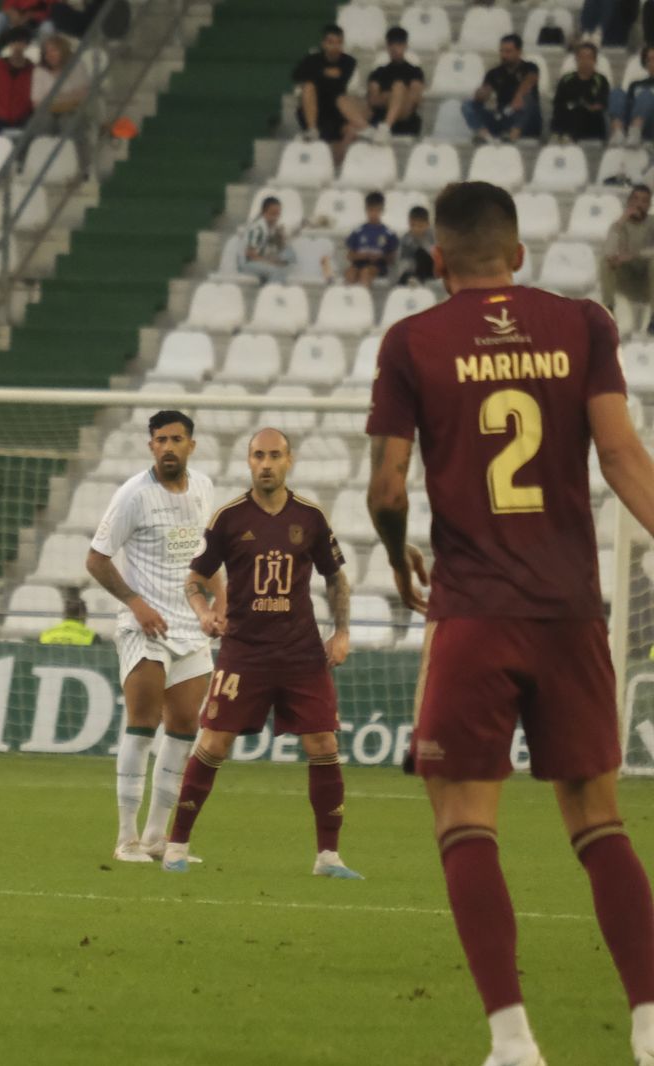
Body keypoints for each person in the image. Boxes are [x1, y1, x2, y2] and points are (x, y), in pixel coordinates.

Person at [365, 179, 654, 1066]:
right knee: (598, 820)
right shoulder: (584, 326)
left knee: (463, 819)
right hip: (571, 611)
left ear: (437, 258)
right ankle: (650, 1027)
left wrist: (393, 550)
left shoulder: (412, 341)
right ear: (520, 253)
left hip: (474, 612)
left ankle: (514, 1041)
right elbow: (619, 456)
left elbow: (386, 488)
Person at [167, 428, 361, 881]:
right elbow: (194, 578)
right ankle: (176, 845)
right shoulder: (228, 519)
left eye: (275, 455)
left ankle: (328, 857)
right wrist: (203, 611)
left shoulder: (310, 517)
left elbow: (335, 578)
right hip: (244, 653)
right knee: (213, 742)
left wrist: (342, 632)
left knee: (324, 745)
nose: (266, 463)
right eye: (259, 456)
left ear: (289, 460)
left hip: (301, 653)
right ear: (248, 462)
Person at [85, 410, 219, 863]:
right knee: (142, 725)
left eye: (176, 439)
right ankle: (125, 839)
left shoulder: (203, 488)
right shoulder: (133, 496)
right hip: (145, 628)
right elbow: (97, 559)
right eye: (160, 439)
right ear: (150, 447)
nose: (167, 447)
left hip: (190, 627)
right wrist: (135, 603)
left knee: (184, 728)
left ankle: (157, 837)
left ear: (191, 445)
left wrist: (219, 608)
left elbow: (209, 560)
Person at [292, 23, 367, 163]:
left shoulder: (348, 61)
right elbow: (297, 76)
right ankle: (312, 130)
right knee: (308, 87)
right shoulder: (312, 59)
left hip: (337, 111)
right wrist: (324, 73)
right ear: (324, 44)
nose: (335, 47)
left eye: (338, 43)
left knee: (343, 103)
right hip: (314, 110)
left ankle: (366, 129)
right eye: (331, 43)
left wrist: (317, 75)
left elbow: (338, 85)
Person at [462, 34, 541, 143]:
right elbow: (486, 91)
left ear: (519, 52)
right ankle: (485, 136)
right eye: (502, 51)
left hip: (525, 120)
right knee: (467, 105)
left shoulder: (530, 67)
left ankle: (512, 136)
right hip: (503, 116)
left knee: (527, 98)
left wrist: (519, 95)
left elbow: (530, 80)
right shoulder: (494, 73)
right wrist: (481, 94)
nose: (503, 55)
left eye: (508, 51)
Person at [599, 184, 654, 328]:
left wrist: (634, 255)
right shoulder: (619, 225)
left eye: (644, 200)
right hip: (628, 280)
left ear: (649, 205)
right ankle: (608, 313)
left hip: (649, 281)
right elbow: (608, 252)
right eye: (635, 199)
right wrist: (621, 221)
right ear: (629, 202)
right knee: (606, 262)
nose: (639, 204)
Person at [365, 26, 424, 142]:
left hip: (405, 116)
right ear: (387, 46)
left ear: (405, 46)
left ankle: (385, 128)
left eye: (399, 44)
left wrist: (391, 96)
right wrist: (394, 98)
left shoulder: (415, 71)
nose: (395, 48)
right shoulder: (378, 72)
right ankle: (385, 127)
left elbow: (414, 98)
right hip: (381, 114)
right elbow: (373, 99)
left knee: (398, 86)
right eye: (391, 44)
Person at [553, 41, 611, 144]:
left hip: (591, 122)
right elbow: (558, 104)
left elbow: (600, 104)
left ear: (595, 60)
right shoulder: (566, 79)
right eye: (582, 57)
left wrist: (584, 105)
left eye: (589, 57)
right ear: (576, 59)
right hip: (568, 119)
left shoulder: (601, 80)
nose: (585, 61)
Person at [0, 26, 34, 133]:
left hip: (23, 118)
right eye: (14, 42)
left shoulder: (32, 70)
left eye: (22, 42)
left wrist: (27, 111)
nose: (17, 46)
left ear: (27, 45)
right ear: (9, 44)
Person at [237, 195, 297, 285]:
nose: (275, 218)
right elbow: (250, 255)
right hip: (248, 263)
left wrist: (280, 238)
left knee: (289, 255)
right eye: (272, 214)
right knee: (276, 271)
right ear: (264, 213)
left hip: (262, 260)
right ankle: (271, 294)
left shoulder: (272, 227)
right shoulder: (257, 228)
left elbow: (280, 248)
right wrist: (271, 262)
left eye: (278, 214)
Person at [344, 190, 397, 285]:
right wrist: (362, 255)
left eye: (377, 210)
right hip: (359, 263)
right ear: (366, 210)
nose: (374, 214)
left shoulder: (388, 233)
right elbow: (350, 255)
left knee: (365, 272)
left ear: (382, 210)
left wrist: (381, 257)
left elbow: (392, 259)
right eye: (371, 210)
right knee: (350, 273)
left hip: (378, 265)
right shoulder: (358, 231)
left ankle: (363, 298)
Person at [612, 45, 654, 146]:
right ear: (645, 64)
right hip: (631, 121)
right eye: (649, 60)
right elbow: (627, 106)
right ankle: (618, 133)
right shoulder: (635, 84)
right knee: (617, 92)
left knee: (646, 94)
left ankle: (636, 132)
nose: (652, 63)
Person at [396, 204, 436, 286]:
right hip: (414, 270)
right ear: (409, 223)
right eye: (413, 225)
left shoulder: (433, 236)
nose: (416, 229)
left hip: (431, 268)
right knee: (405, 276)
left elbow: (435, 255)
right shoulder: (406, 240)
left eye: (420, 226)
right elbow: (404, 262)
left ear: (427, 224)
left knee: (420, 253)